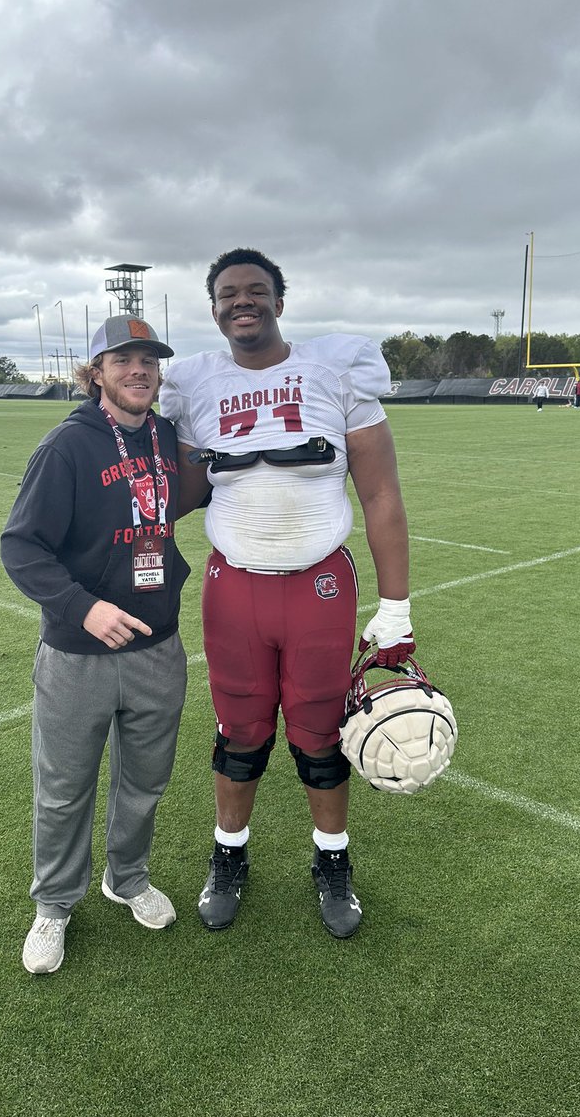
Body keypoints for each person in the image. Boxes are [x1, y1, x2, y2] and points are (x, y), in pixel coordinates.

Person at [160, 248, 414, 940]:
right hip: (233, 586)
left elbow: (382, 494)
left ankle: (332, 861)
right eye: (228, 294)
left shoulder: (334, 372)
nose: (242, 302)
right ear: (213, 308)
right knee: (240, 736)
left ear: (279, 299)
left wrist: (396, 608)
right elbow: (182, 493)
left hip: (319, 586)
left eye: (256, 290)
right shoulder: (195, 385)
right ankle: (228, 855)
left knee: (319, 736)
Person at [0, 316, 191, 974]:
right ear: (96, 372)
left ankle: (127, 877)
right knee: (63, 788)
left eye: (149, 360)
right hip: (79, 656)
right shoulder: (68, 447)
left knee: (145, 782)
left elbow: (169, 505)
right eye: (124, 360)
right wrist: (84, 608)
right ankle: (53, 905)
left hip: (158, 649)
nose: (140, 370)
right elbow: (21, 546)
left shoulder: (166, 436)